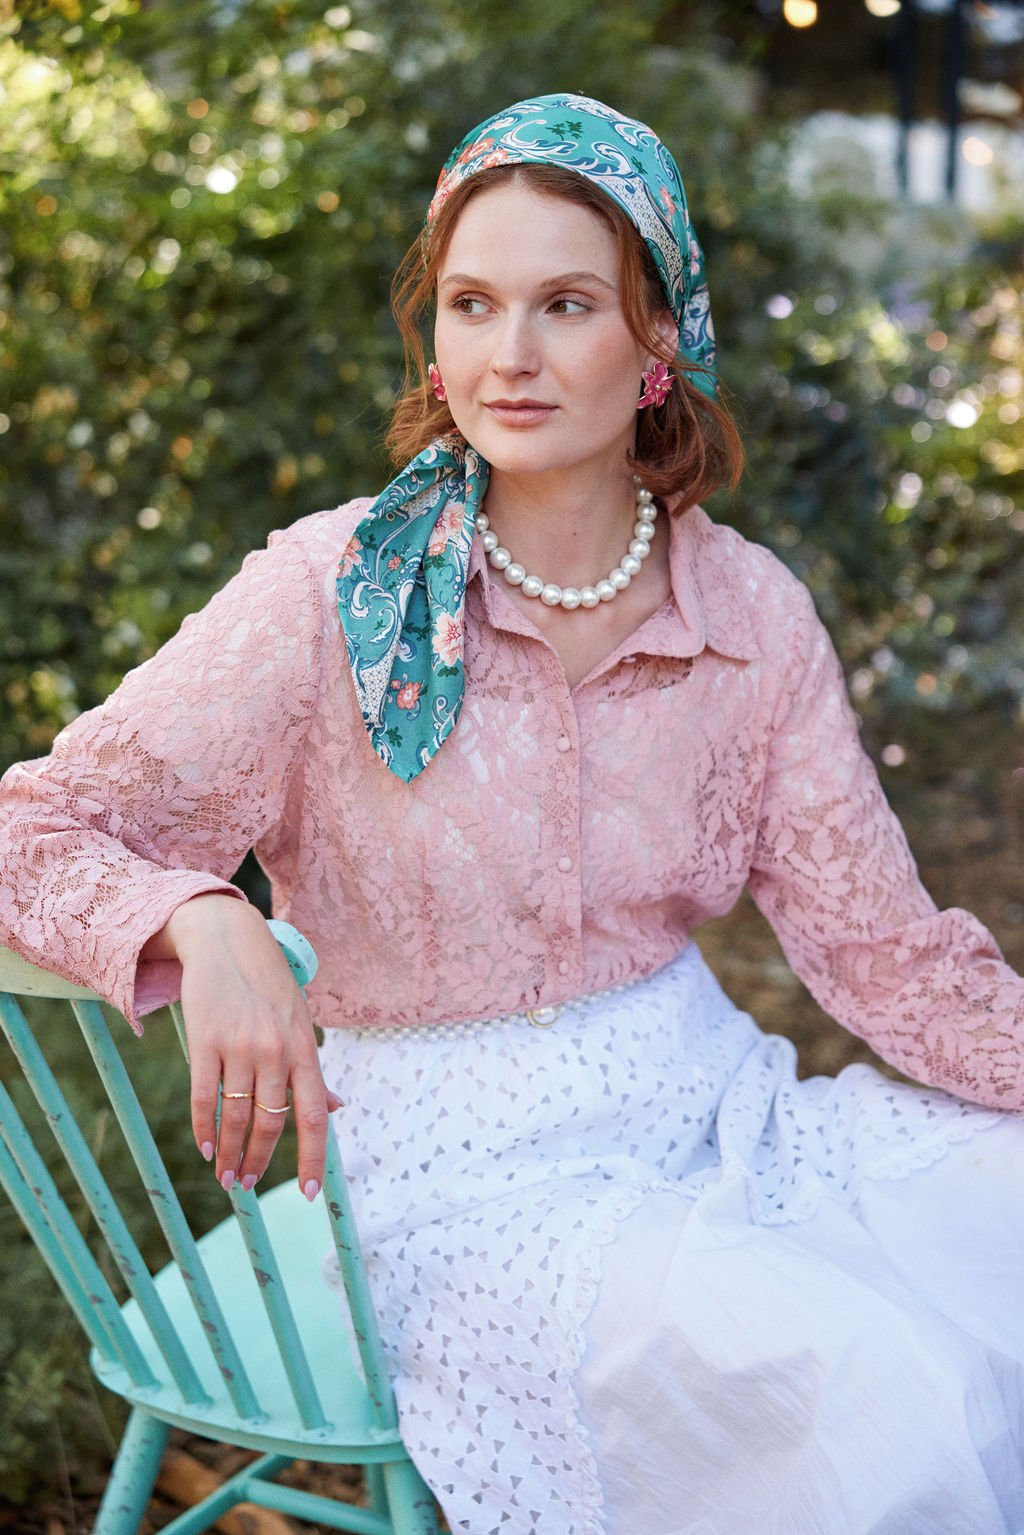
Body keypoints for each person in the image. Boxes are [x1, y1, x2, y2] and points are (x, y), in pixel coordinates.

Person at [1, 93, 1024, 1535]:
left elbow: (888, 957)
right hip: (455, 1185)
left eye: (567, 304)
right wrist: (199, 912)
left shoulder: (749, 616)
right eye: (473, 304)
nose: (510, 355)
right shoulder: (327, 597)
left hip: (711, 1116)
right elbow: (29, 834)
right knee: (874, 1388)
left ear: (658, 341)